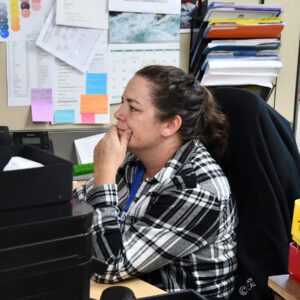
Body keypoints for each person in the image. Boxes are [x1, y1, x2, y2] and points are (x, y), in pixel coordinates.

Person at [73, 65, 238, 299]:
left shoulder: (197, 188)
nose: (119, 113)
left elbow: (107, 267)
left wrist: (104, 174)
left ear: (170, 125)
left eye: (133, 108)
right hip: (136, 288)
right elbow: (73, 214)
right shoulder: (135, 160)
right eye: (122, 102)